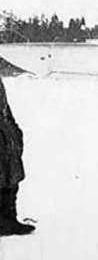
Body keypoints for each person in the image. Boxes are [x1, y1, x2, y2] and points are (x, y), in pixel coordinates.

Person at [0, 77, 33, 236]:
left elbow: (5, 107)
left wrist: (14, 129)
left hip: (5, 133)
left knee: (11, 179)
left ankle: (9, 220)